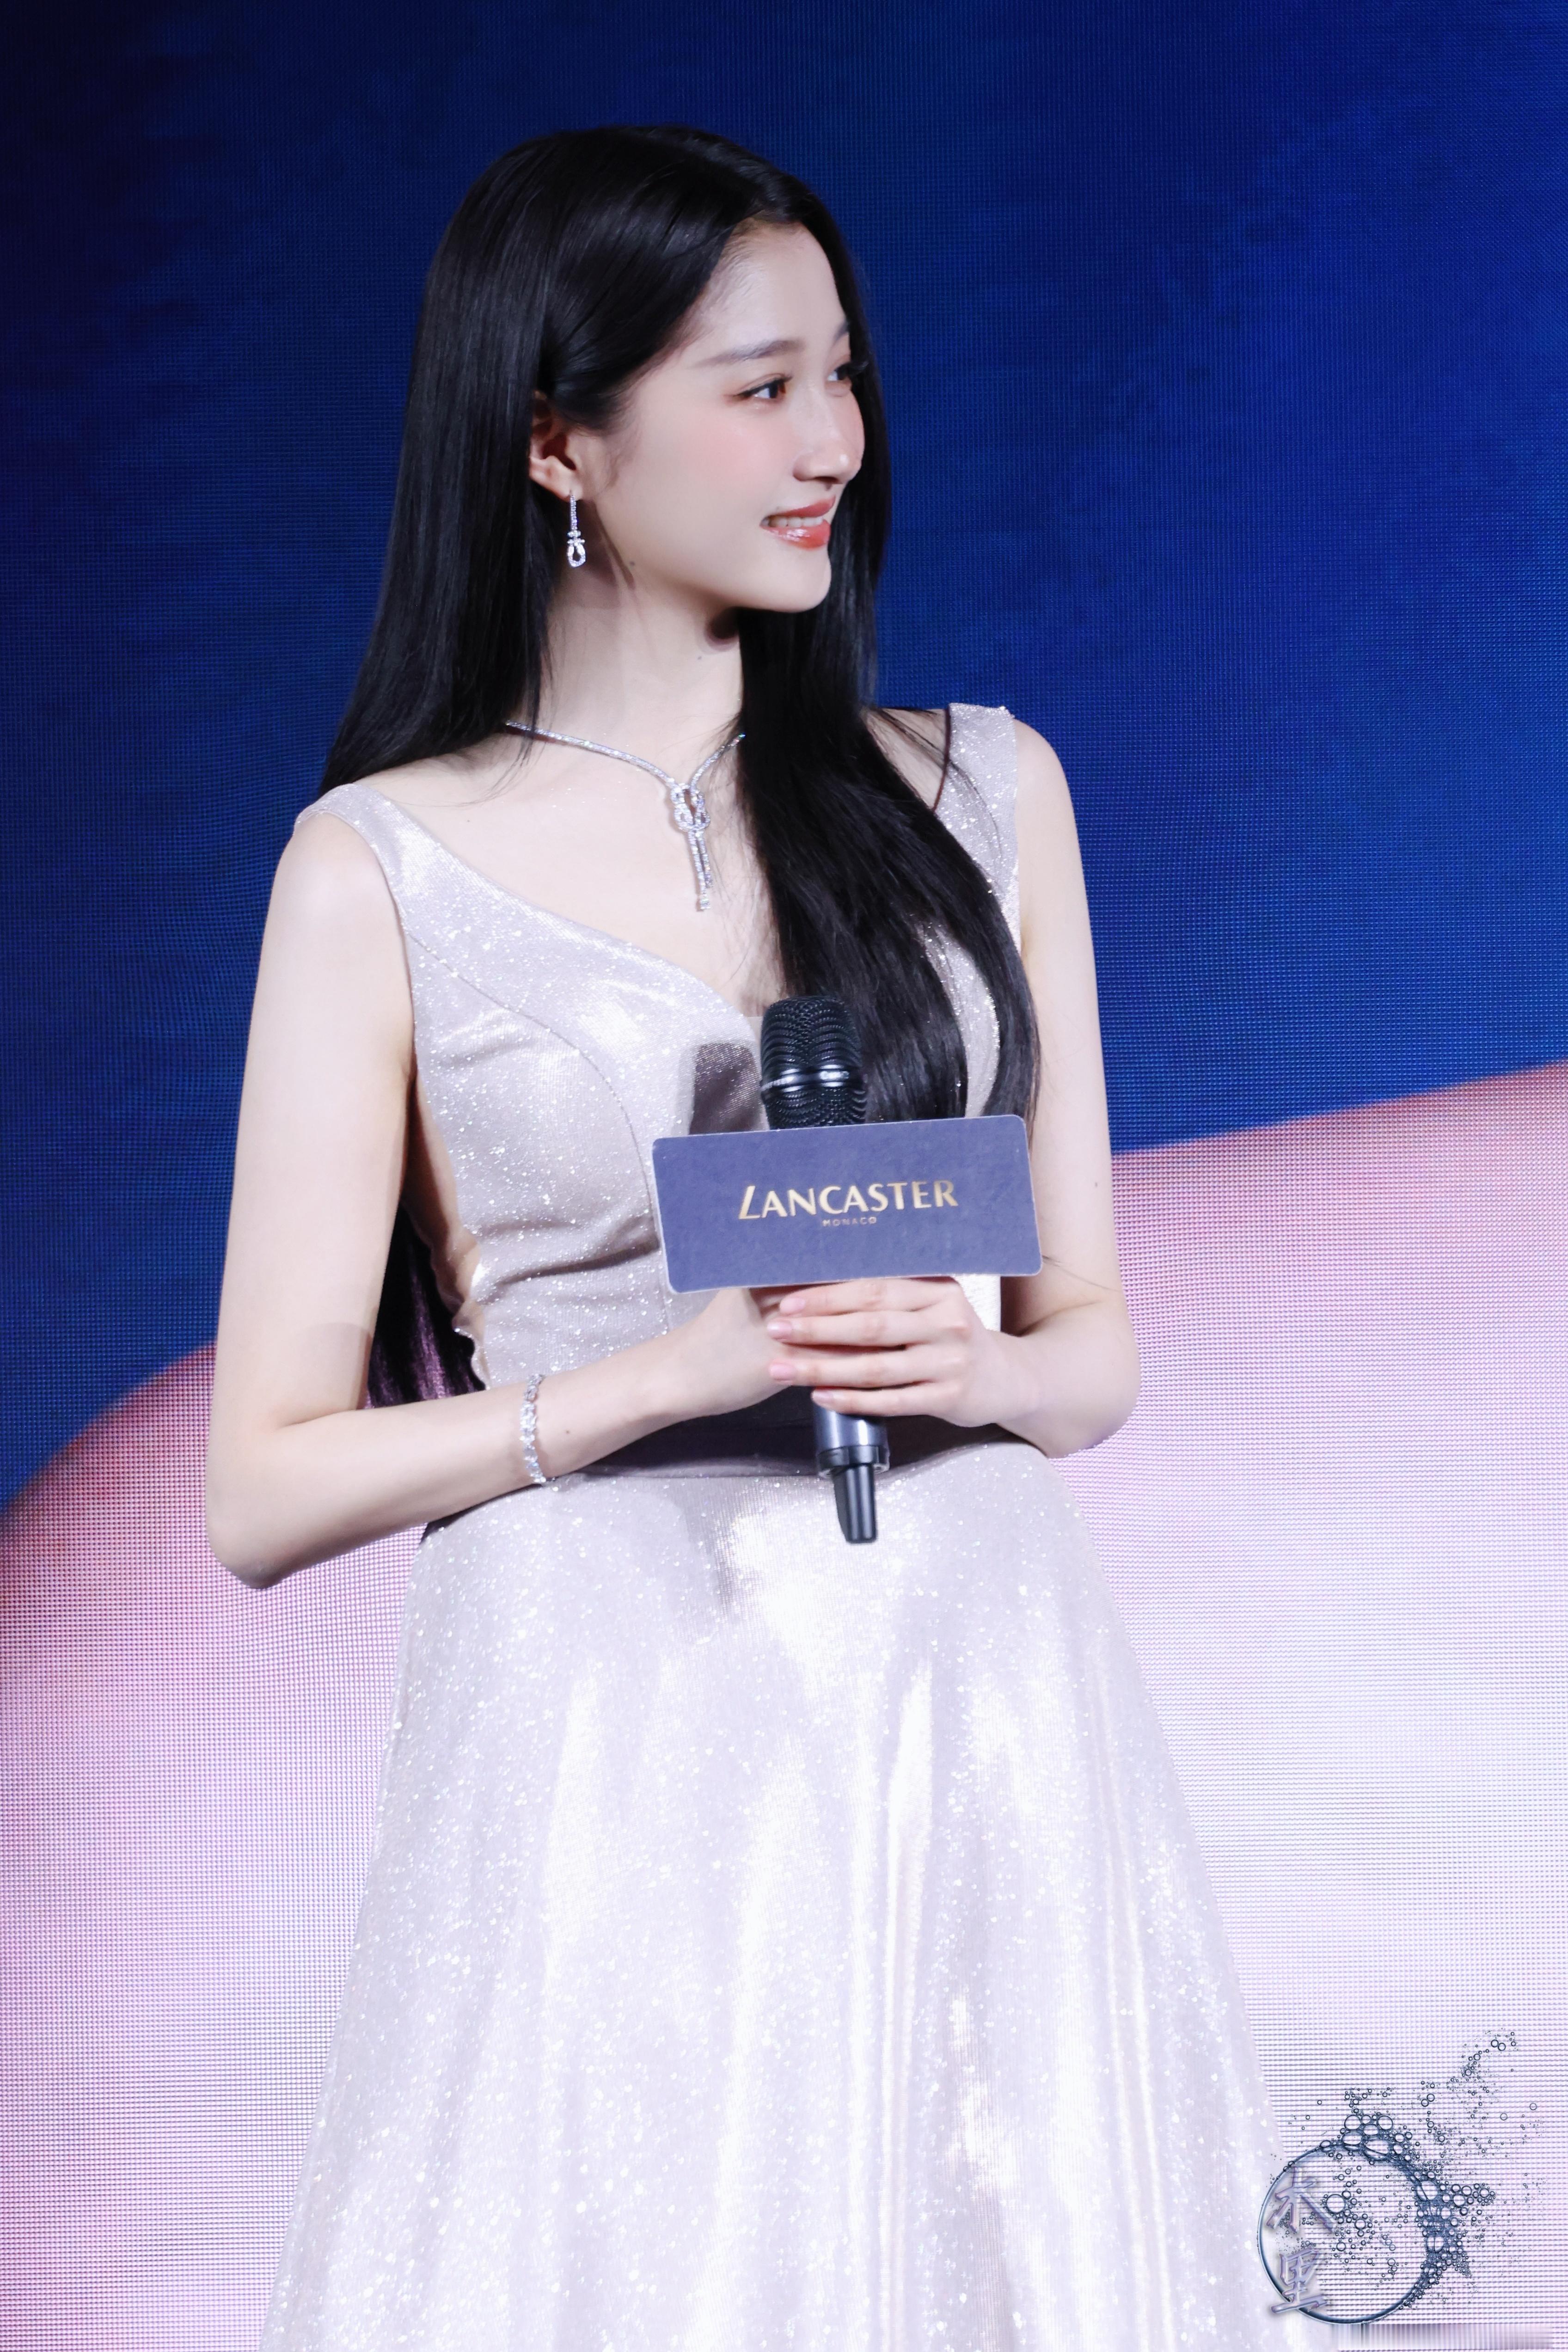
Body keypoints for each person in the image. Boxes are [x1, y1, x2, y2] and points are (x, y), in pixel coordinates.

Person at [206, 124, 1275, 2350]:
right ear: (556, 440)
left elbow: (1085, 1339)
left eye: (842, 376)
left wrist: (978, 1367)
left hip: (969, 1674)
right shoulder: (378, 868)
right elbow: (263, 1485)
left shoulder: (984, 791)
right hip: (610, 1707)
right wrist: (652, 1383)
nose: (830, 445)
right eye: (758, 388)